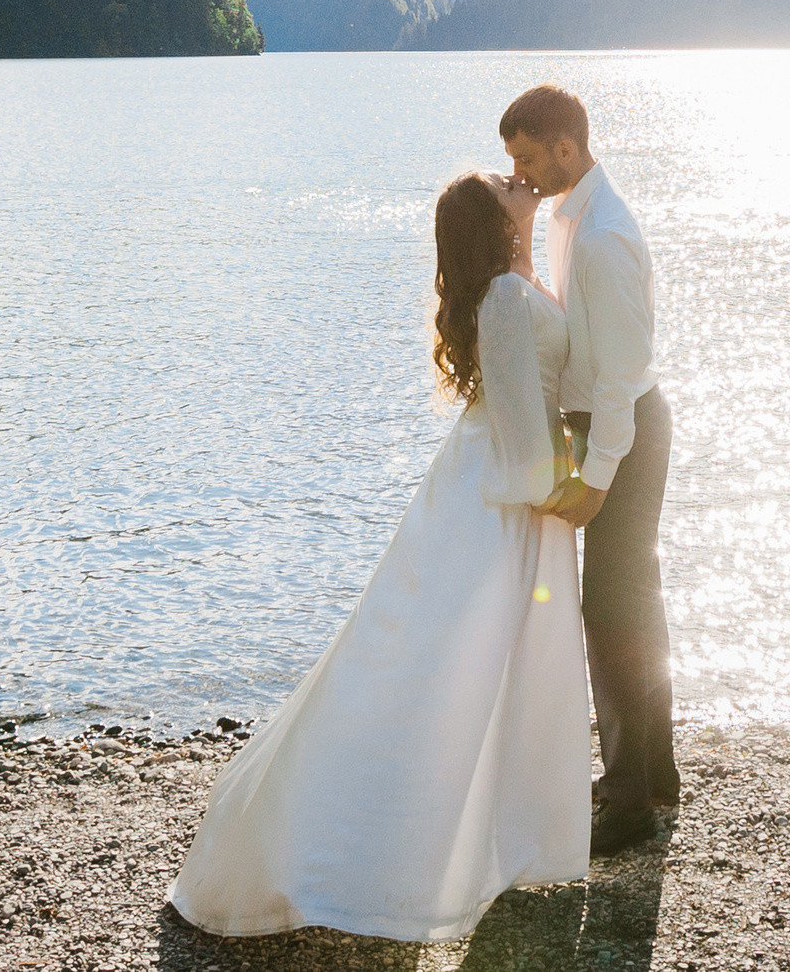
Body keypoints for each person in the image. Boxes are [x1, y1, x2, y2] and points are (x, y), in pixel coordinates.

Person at [167, 171, 589, 942]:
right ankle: (359, 851)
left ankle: (502, 838)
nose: (516, 178)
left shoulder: (521, 277)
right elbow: (525, 441)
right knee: (441, 673)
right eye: (504, 181)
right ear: (492, 221)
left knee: (487, 670)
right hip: (499, 503)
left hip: (501, 492)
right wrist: (572, 487)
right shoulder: (502, 296)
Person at [499, 83, 678, 856]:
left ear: (565, 147)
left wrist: (600, 471)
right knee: (631, 602)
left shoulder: (603, 235)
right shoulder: (574, 216)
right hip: (606, 428)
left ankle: (629, 799)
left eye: (529, 156)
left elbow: (622, 373)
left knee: (611, 612)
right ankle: (653, 775)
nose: (523, 171)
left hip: (625, 432)